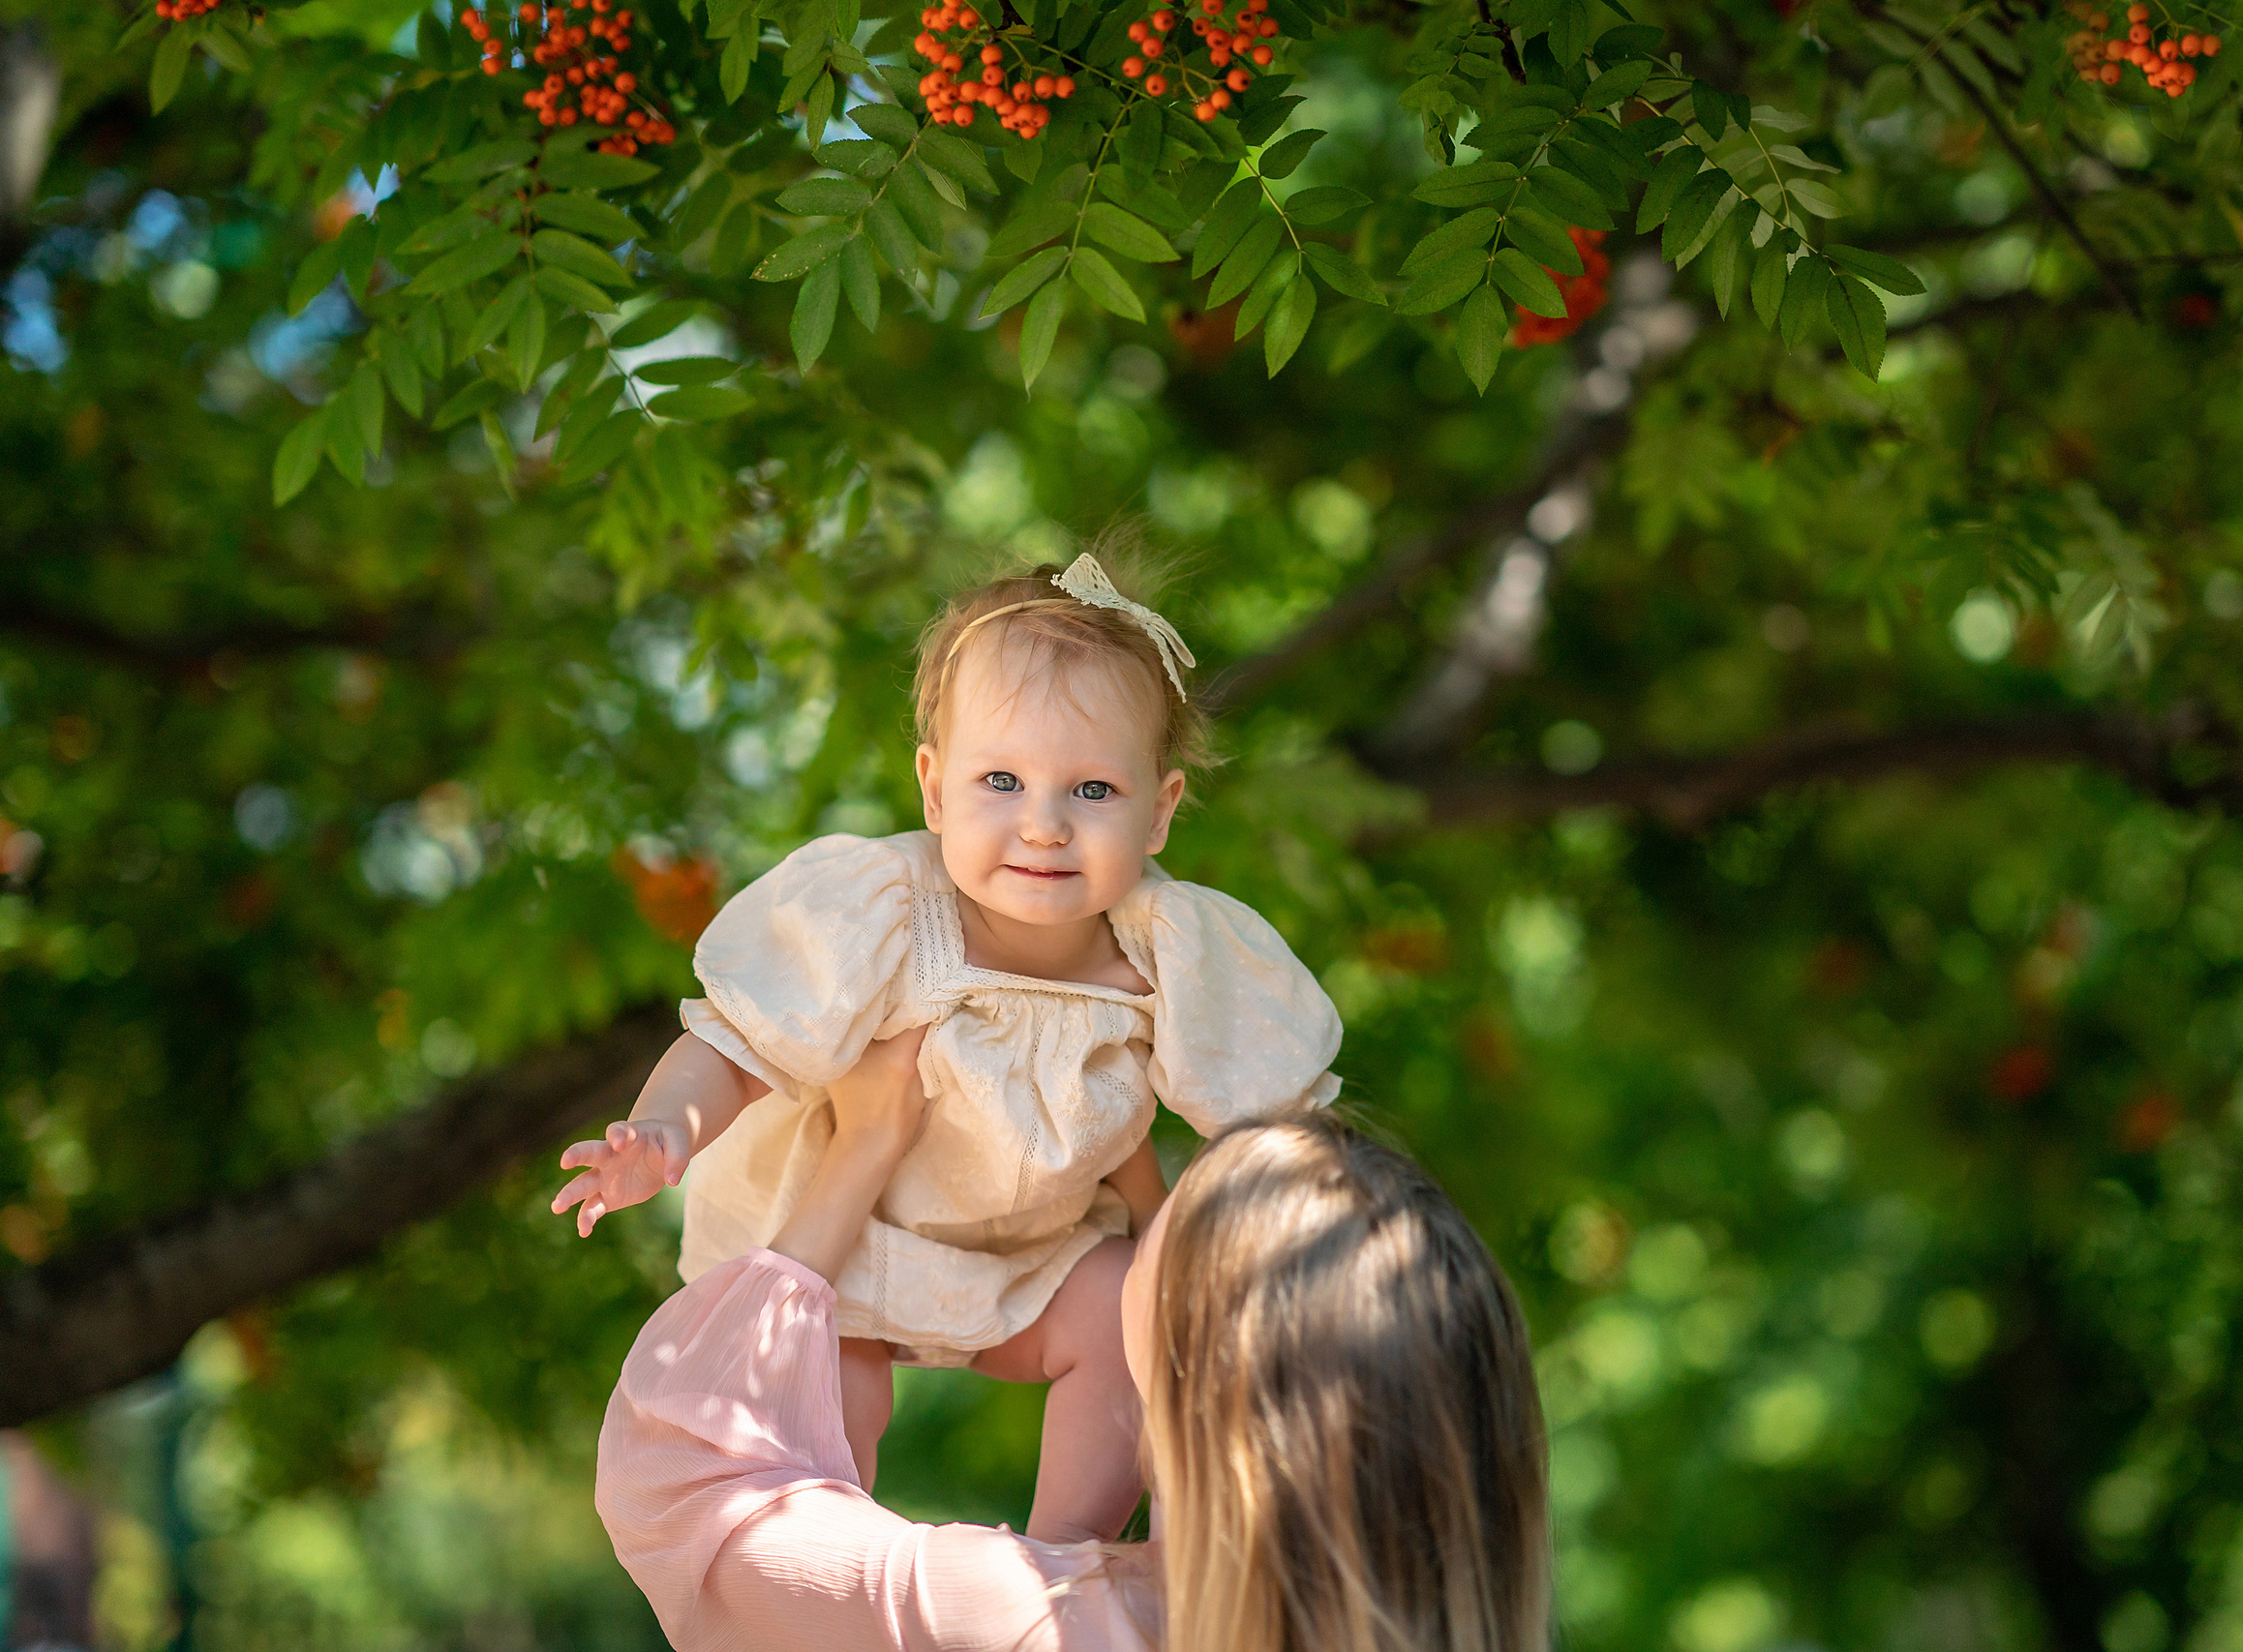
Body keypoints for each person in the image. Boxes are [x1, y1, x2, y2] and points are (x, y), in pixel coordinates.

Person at [551, 552, 1344, 1544]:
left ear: (1161, 809)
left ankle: (1065, 1560)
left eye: (1092, 789)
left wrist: (1210, 1243)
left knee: (1123, 1320)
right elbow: (735, 1045)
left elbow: (1269, 1139)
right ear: (933, 788)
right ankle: (830, 1583)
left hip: (1030, 1260)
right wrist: (664, 1129)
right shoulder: (883, 913)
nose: (1044, 826)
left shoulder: (1169, 956)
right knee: (827, 1399)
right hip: (844, 1249)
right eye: (1001, 780)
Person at [595, 1029, 1553, 1652]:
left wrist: (858, 1159)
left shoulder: (1029, 1624)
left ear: (1191, 1363)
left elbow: (684, 1494)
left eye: (1149, 1240)